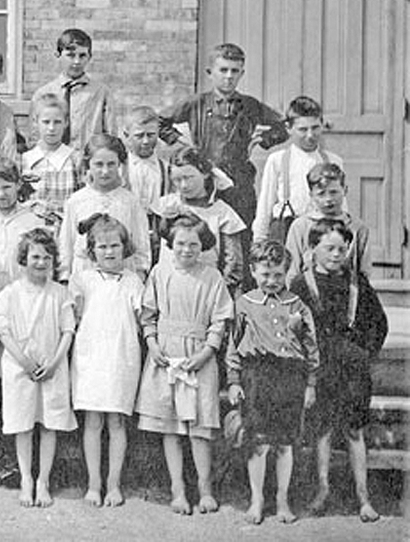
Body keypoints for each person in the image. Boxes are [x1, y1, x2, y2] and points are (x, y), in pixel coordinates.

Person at [135, 214, 234, 516]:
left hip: (199, 356)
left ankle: (205, 489)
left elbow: (220, 320)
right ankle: (177, 489)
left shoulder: (212, 277)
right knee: (171, 427)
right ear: (170, 244)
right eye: (180, 243)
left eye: (193, 244)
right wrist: (152, 344)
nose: (186, 250)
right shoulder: (159, 273)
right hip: (165, 355)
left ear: (202, 246)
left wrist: (206, 352)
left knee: (199, 427)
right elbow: (148, 315)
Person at [289, 219, 387, 522]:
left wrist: (363, 352)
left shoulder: (358, 283)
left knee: (354, 429)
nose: (336, 255)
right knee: (323, 429)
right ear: (312, 249)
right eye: (329, 248)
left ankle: (363, 497)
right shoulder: (301, 285)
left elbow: (379, 324)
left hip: (353, 367)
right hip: (320, 369)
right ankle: (323, 490)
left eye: (342, 249)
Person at [158, 42, 288, 248]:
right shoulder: (196, 103)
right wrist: (183, 143)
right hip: (204, 182)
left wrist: (260, 141)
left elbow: (284, 126)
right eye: (223, 70)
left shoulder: (250, 105)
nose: (229, 76)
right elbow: (159, 122)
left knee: (241, 235)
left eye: (234, 71)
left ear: (241, 73)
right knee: (202, 234)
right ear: (211, 72)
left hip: (239, 183)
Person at [227, 240, 319, 525]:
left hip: (290, 377)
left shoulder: (297, 305)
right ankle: (257, 499)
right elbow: (233, 345)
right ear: (253, 271)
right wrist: (233, 380)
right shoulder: (244, 304)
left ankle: (282, 499)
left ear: (286, 273)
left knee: (285, 443)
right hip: (257, 377)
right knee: (259, 443)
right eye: (265, 274)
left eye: (278, 275)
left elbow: (311, 345)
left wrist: (311, 383)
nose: (272, 281)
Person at [0, 228, 76, 508]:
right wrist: (24, 361)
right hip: (20, 368)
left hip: (52, 367)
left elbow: (68, 331)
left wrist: (54, 363)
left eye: (47, 257)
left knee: (49, 423)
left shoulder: (59, 293)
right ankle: (26, 478)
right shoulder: (11, 292)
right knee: (24, 425)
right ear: (24, 259)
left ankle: (43, 480)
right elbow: (2, 331)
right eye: (35, 257)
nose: (41, 262)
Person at [68, 214, 144, 508]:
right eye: (102, 247)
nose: (109, 252)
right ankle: (93, 484)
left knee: (117, 422)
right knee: (92, 421)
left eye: (115, 245)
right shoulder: (83, 279)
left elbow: (142, 319)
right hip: (90, 359)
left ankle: (113, 484)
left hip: (120, 358)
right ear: (92, 251)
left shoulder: (133, 280)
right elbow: (73, 316)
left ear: (125, 248)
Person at [151, 146, 246, 295]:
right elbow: (155, 248)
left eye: (188, 178)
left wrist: (220, 293)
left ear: (205, 173)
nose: (183, 185)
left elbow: (233, 262)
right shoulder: (167, 206)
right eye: (177, 180)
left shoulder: (221, 212)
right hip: (170, 288)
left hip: (206, 289)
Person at [57, 134, 149, 281]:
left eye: (111, 164)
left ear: (119, 164)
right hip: (85, 276)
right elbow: (66, 245)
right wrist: (65, 277)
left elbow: (141, 244)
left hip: (122, 276)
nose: (105, 171)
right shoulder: (76, 201)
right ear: (89, 164)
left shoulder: (130, 201)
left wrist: (140, 274)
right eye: (99, 164)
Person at [253, 96, 344, 244]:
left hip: (323, 232)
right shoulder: (277, 160)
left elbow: (342, 205)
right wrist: (259, 239)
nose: (310, 135)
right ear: (289, 129)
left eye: (315, 128)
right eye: (303, 129)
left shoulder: (334, 161)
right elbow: (265, 206)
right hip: (286, 231)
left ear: (322, 124)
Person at [30, 28, 115, 152]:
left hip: (88, 163)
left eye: (82, 56)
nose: (77, 61)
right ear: (58, 55)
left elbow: (111, 137)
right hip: (52, 163)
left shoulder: (101, 93)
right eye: (70, 55)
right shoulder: (43, 94)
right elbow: (34, 137)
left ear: (89, 57)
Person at [284, 163, 370, 282]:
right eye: (321, 193)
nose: (328, 199)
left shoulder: (357, 227)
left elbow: (364, 271)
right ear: (311, 195)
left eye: (333, 192)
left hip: (346, 292)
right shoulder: (300, 226)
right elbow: (291, 270)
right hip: (309, 293)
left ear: (345, 190)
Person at [0, 159, 46, 292]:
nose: (1, 194)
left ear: (17, 185)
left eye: (6, 187)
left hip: (24, 296)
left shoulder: (33, 222)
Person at [22, 94, 81, 231]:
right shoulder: (25, 160)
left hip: (66, 231)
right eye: (46, 122)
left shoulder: (74, 159)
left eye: (57, 122)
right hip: (32, 233)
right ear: (36, 122)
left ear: (66, 122)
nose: (51, 128)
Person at [121, 105, 169, 263]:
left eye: (151, 135)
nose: (146, 141)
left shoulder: (167, 169)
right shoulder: (119, 169)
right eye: (139, 136)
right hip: (127, 231)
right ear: (126, 135)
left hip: (158, 235)